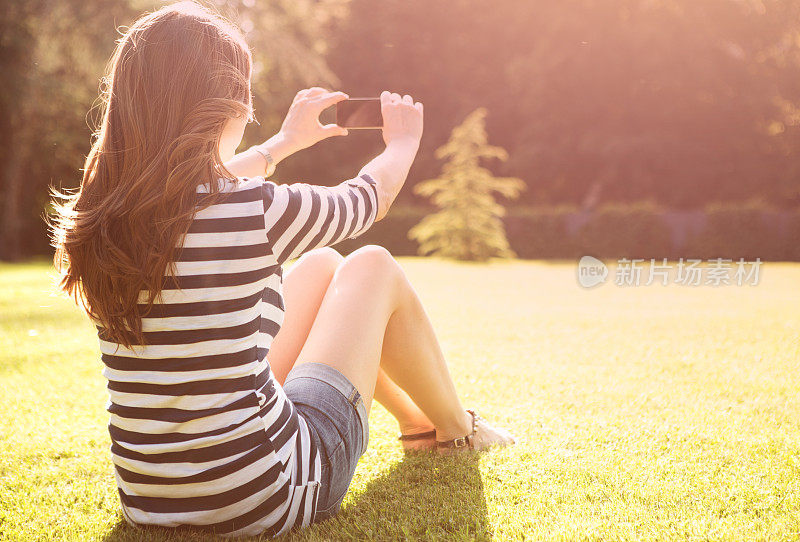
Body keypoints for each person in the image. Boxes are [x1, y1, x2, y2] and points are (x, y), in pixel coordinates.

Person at [49, 1, 515, 538]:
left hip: (150, 499)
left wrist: (284, 144)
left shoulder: (102, 214)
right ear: (227, 105)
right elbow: (367, 200)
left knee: (319, 266)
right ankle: (456, 428)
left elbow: (200, 191)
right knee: (371, 266)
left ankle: (417, 423)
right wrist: (404, 141)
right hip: (269, 494)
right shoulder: (253, 211)